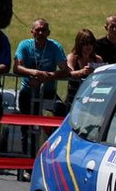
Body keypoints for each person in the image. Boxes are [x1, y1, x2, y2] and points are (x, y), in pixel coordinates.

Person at [13, 18, 71, 163]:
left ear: (48, 32)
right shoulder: (25, 45)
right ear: (32, 31)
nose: (40, 33)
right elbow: (17, 67)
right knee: (27, 129)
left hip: (48, 92)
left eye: (43, 30)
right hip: (28, 91)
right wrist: (35, 73)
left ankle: (54, 156)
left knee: (61, 114)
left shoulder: (54, 46)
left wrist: (50, 76)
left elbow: (65, 70)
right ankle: (27, 164)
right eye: (37, 30)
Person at [66, 29, 102, 109]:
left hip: (92, 97)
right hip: (74, 96)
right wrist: (82, 72)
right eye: (85, 43)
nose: (88, 46)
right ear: (79, 44)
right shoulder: (72, 57)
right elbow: (69, 73)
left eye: (91, 43)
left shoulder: (98, 59)